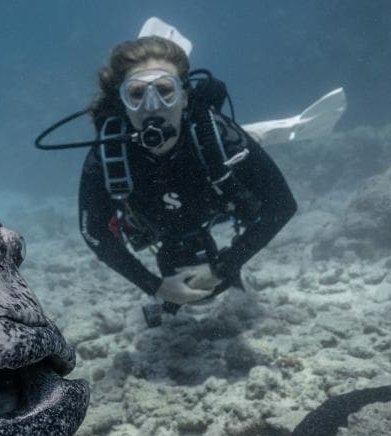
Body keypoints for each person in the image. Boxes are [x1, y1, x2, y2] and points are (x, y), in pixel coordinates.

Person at [77, 36, 297, 320]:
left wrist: (225, 265)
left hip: (211, 176)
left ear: (184, 96)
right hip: (155, 221)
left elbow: (282, 206)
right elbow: (94, 232)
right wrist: (156, 287)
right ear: (122, 103)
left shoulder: (218, 137)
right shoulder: (109, 154)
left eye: (165, 90)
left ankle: (255, 137)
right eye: (136, 94)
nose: (152, 106)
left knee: (235, 155)